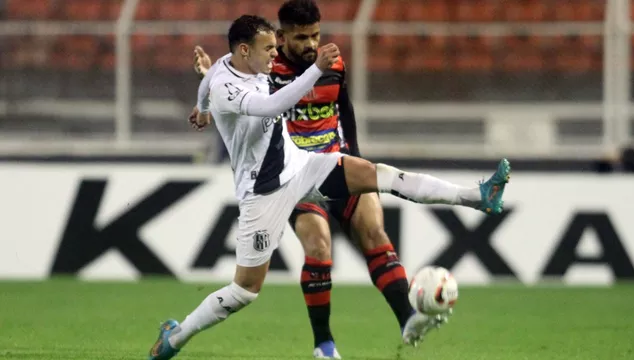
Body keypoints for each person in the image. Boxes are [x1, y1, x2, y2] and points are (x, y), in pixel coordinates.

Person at [149, 14, 510, 360]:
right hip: (264, 193)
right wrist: (316, 69)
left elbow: (205, 78)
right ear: (245, 51)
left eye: (276, 47)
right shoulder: (228, 88)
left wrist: (202, 109)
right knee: (244, 291)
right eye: (268, 49)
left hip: (301, 165)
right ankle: (176, 336)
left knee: (378, 174)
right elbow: (273, 103)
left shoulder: (229, 64)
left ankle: (477, 196)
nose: (275, 54)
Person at [189, 1, 451, 357]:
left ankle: (407, 319)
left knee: (375, 234)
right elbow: (234, 89)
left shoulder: (334, 64)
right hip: (294, 173)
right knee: (318, 247)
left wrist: (355, 157)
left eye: (315, 35)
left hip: (335, 160)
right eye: (301, 37)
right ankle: (323, 343)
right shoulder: (265, 69)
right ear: (281, 37)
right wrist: (208, 85)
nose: (311, 43)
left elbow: (345, 109)